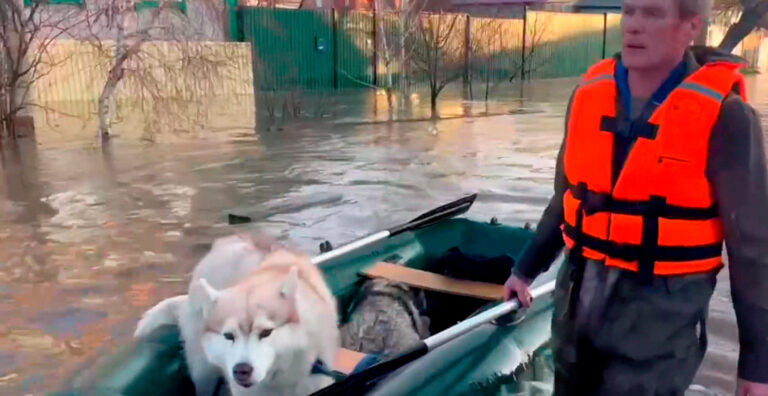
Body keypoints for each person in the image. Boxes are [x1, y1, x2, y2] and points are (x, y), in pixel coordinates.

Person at [502, 0, 768, 394]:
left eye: (653, 13)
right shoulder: (587, 97)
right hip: (578, 310)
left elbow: (753, 249)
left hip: (657, 331)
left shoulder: (728, 118)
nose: (634, 26)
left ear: (689, 26)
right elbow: (567, 197)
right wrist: (524, 270)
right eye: (630, 12)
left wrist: (757, 365)